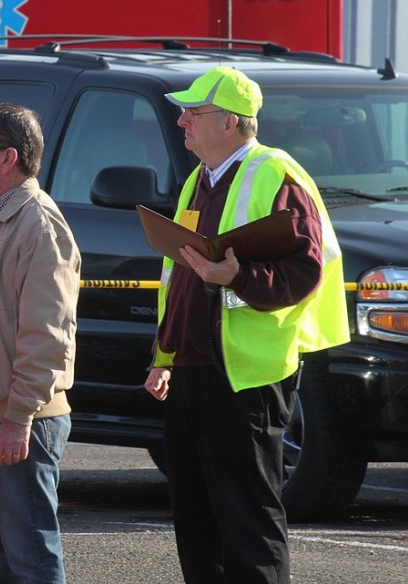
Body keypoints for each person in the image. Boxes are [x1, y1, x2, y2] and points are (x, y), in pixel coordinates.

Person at [144, 66, 350, 583]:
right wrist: (165, 356)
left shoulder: (275, 173)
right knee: (196, 520)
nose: (182, 120)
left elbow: (309, 267)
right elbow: (181, 280)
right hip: (193, 371)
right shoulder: (199, 179)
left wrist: (241, 277)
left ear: (231, 124)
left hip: (248, 377)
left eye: (195, 112)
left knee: (247, 521)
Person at [0, 103, 81, 584]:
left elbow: (47, 336)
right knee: (9, 557)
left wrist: (19, 416)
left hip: (21, 418)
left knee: (31, 561)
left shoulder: (38, 224)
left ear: (8, 158)